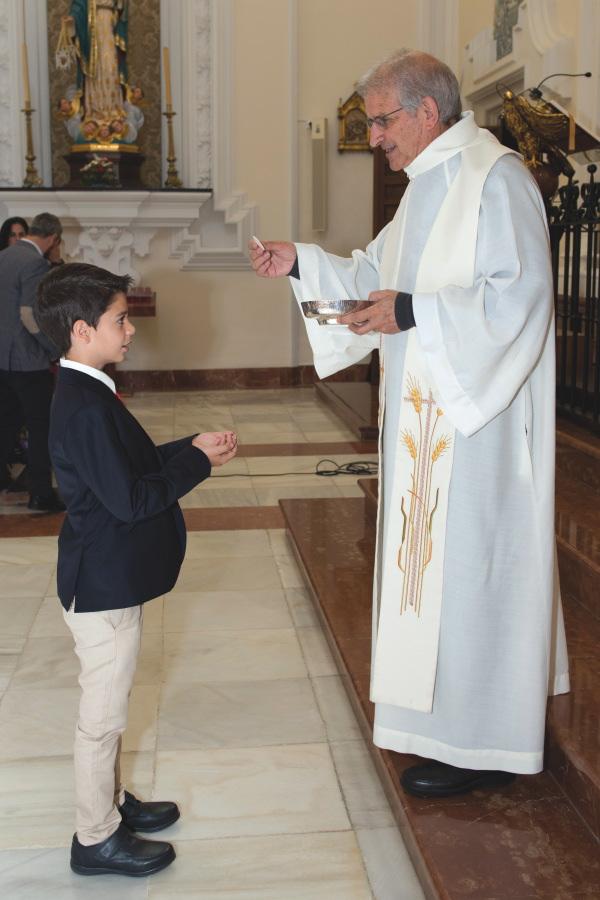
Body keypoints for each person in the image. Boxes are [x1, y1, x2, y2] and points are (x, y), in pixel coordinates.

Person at [249, 49, 569, 798]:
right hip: (428, 433)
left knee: (472, 574)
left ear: (428, 111)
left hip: (478, 433)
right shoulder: (426, 187)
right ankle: (440, 725)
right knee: (430, 575)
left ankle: (484, 742)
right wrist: (302, 263)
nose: (374, 139)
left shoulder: (497, 180)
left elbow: (520, 296)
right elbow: (375, 278)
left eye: (381, 121)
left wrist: (418, 311)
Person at [34, 262, 238, 877]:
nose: (130, 330)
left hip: (108, 574)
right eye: (120, 320)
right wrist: (197, 467)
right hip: (102, 585)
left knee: (112, 707)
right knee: (102, 719)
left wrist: (190, 447)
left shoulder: (87, 390)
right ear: (81, 330)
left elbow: (135, 464)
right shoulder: (85, 406)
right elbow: (132, 499)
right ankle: (95, 838)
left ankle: (114, 804)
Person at [0, 212, 64, 511]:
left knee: (6, 421)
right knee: (41, 426)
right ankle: (41, 494)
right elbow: (29, 315)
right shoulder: (35, 263)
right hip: (28, 361)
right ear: (53, 238)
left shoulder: (4, 256)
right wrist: (53, 349)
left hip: (2, 359)